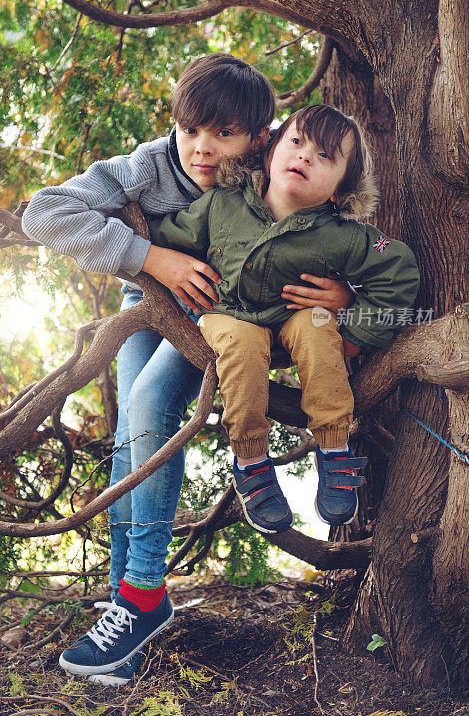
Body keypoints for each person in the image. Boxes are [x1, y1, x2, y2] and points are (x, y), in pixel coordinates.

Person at [21, 56, 354, 681]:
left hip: (229, 315)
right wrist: (151, 257)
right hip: (151, 303)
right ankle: (126, 605)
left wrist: (343, 294)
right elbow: (44, 214)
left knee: (150, 405)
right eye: (190, 130)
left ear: (259, 137)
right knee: (129, 443)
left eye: (223, 134)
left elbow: (333, 232)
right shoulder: (149, 164)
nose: (202, 149)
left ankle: (143, 593)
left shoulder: (273, 167)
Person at [150, 104, 420, 536]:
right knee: (239, 339)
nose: (306, 156)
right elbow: (168, 232)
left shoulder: (341, 234)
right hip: (230, 316)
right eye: (296, 142)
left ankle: (334, 447)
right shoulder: (223, 203)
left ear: (339, 190)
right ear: (272, 150)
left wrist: (357, 335)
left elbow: (397, 268)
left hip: (294, 322)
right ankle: (252, 460)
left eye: (325, 156)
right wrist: (140, 243)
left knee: (316, 323)